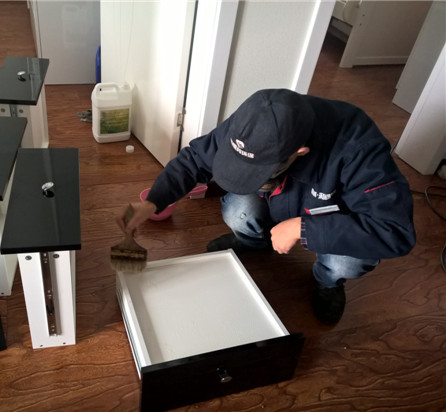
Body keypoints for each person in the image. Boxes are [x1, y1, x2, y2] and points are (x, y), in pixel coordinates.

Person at [117, 89, 416, 324]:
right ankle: (254, 242)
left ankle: (328, 282)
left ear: (299, 152)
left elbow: (395, 231)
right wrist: (154, 201)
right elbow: (195, 159)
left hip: (330, 213)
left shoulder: (358, 147)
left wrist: (302, 228)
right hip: (279, 198)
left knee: (346, 262)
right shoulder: (252, 122)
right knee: (237, 210)